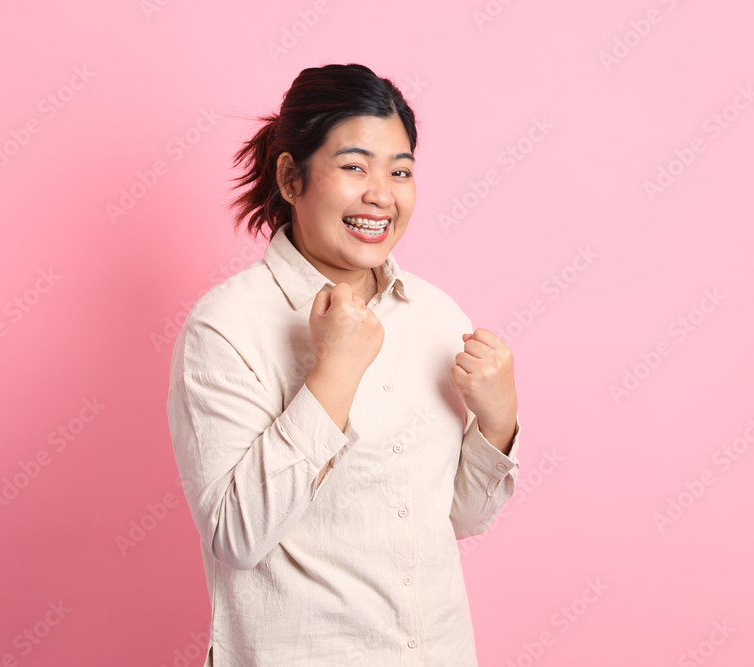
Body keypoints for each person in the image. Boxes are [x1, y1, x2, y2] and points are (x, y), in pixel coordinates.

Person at [166, 63, 522, 666]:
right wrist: (332, 374)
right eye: (354, 166)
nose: (381, 194)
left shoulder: (435, 315)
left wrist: (498, 424)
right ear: (290, 176)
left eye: (400, 171)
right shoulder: (226, 327)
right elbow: (236, 536)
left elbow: (455, 520)